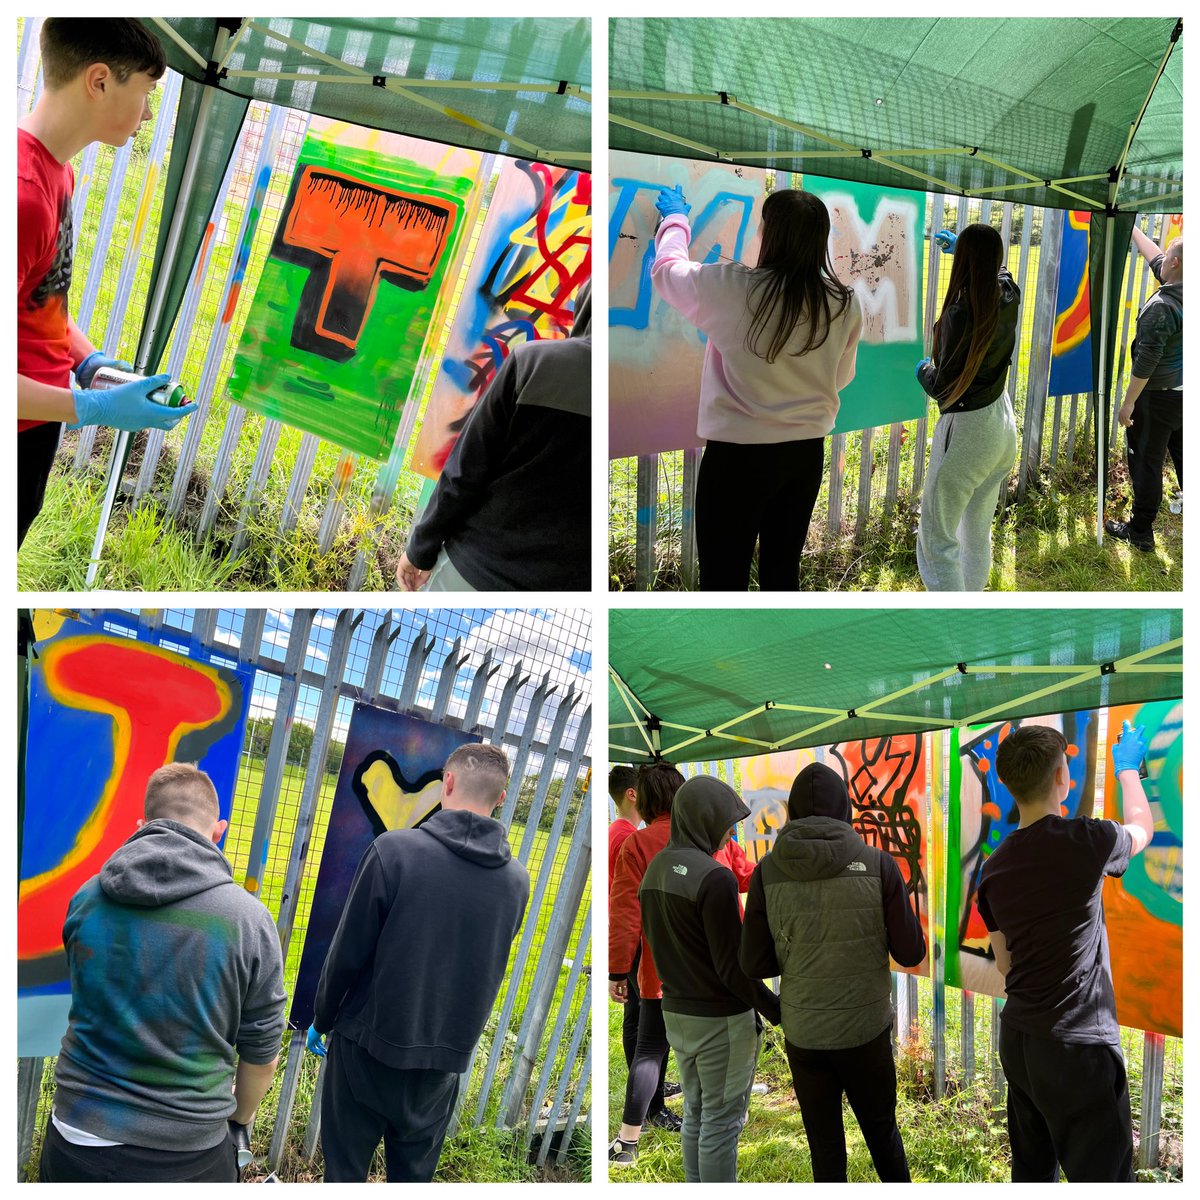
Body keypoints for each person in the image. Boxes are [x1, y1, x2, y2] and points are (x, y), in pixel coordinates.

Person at [39, 764, 285, 1183]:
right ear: (219, 831)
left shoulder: (87, 898)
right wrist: (238, 1119)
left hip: (75, 1136)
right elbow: (262, 1052)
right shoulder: (249, 921)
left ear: (143, 825)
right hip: (189, 1155)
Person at [305, 742, 529, 1182]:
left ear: (447, 781)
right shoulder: (516, 882)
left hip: (365, 1051)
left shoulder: (394, 852)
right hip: (439, 1065)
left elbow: (346, 952)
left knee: (344, 1174)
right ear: (501, 797)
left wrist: (322, 1017)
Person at [18, 18, 198, 547]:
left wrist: (89, 362)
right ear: (99, 81)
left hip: (37, 421)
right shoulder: (23, 195)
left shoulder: (58, 171)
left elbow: (39, 300)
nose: (147, 113)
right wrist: (92, 408)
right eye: (145, 92)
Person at [650, 185, 862, 591]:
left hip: (737, 462)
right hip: (804, 455)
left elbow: (667, 270)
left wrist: (675, 220)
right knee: (782, 573)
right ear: (820, 241)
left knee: (723, 580)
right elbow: (840, 378)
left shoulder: (734, 287)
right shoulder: (843, 302)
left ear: (768, 234)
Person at [976, 720, 1155, 1182]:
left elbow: (1005, 962)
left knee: (1032, 1172)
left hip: (1019, 1039)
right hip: (1077, 1050)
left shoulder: (993, 870)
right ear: (1061, 778)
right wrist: (1128, 770)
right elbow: (1140, 829)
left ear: (1008, 784)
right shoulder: (1087, 841)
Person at [739, 762, 925, 1182]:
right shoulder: (879, 864)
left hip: (804, 1032)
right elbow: (911, 951)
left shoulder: (767, 871)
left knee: (824, 1146)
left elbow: (753, 963)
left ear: (792, 812)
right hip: (866, 1030)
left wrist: (792, 950)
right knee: (882, 1132)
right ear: (846, 809)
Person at [395, 282, 591, 591]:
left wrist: (420, 549)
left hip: (476, 567)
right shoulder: (626, 385)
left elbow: (465, 469)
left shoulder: (532, 360)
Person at [608, 763, 755, 1166]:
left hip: (660, 971)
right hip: (719, 979)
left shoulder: (637, 846)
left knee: (650, 1048)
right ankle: (720, 1119)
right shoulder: (713, 839)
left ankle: (628, 1141)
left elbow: (625, 914)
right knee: (713, 1078)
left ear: (647, 798)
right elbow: (747, 877)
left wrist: (618, 970)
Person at [638, 775, 781, 1182]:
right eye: (727, 821)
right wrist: (774, 1008)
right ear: (704, 819)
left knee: (698, 1114)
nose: (732, 831)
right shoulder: (714, 878)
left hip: (678, 1013)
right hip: (721, 1020)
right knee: (721, 1123)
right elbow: (732, 967)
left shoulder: (657, 870)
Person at [914, 224, 1020, 591]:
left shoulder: (961, 313)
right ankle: (972, 610)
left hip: (969, 433)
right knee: (976, 528)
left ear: (963, 261)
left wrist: (923, 371)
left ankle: (951, 630)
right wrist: (971, 250)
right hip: (1001, 427)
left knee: (936, 539)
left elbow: (943, 386)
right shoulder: (1008, 292)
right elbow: (1001, 274)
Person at [1105, 228, 1183, 551]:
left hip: (1157, 397)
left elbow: (1146, 364)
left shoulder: (1161, 308)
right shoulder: (1184, 286)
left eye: (1169, 257)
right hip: (1184, 394)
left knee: (1147, 462)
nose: (1161, 260)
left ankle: (1140, 531)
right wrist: (1131, 228)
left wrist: (1127, 405)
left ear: (1176, 263)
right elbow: (1156, 256)